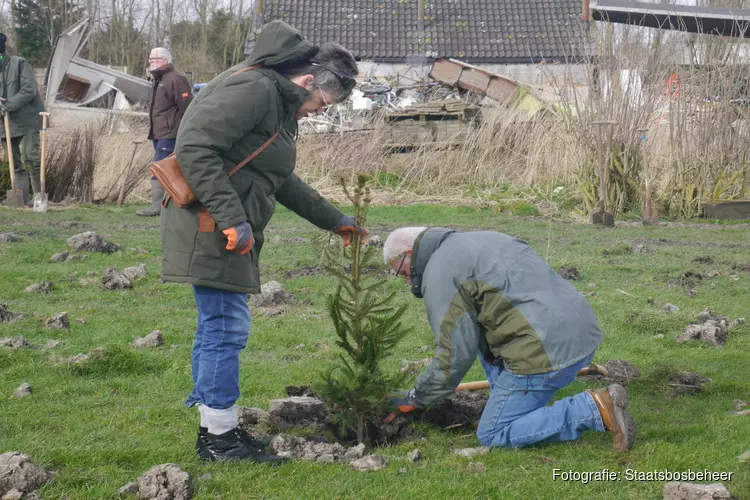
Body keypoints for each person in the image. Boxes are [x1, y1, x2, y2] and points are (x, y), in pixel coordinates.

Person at [160, 20, 367, 463]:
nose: (319, 112)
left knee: (217, 326)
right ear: (308, 81)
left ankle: (218, 426)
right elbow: (195, 148)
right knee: (225, 328)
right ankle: (219, 440)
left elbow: (279, 177)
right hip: (212, 227)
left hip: (224, 225)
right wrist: (233, 218)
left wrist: (334, 221)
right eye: (322, 103)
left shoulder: (277, 101)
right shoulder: (255, 91)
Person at [383, 227, 636, 452]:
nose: (407, 280)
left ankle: (595, 409)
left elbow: (454, 354)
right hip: (583, 333)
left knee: (492, 434)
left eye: (401, 272)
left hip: (545, 352)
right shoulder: (486, 238)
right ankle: (512, 402)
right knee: (483, 336)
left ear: (408, 252)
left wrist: (416, 397)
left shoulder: (439, 273)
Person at [137, 47, 193, 216]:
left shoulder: (175, 79)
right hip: (159, 133)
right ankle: (170, 204)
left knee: (160, 168)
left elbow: (188, 108)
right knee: (166, 168)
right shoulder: (158, 80)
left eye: (155, 58)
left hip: (171, 133)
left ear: (166, 60)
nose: (151, 61)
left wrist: (185, 131)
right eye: (150, 59)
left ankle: (157, 207)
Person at [0, 33, 46, 205]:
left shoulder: (19, 64)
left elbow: (29, 90)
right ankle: (21, 200)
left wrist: (8, 104)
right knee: (13, 163)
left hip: (28, 119)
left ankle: (39, 197)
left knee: (31, 157)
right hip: (5, 122)